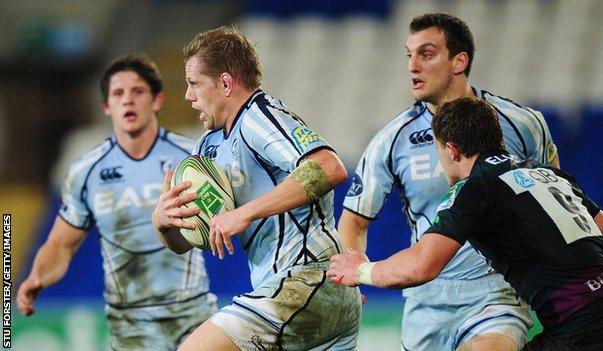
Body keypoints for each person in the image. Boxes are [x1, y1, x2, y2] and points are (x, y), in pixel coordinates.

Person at [329, 96, 603, 351]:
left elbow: (421, 266)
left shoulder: (475, 189)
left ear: (452, 150)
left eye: (439, 150)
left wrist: (360, 270)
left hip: (577, 333)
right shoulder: (553, 175)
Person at [338, 13, 560, 351]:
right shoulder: (391, 140)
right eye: (408, 55)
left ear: (460, 61)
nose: (413, 66)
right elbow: (354, 220)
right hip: (426, 299)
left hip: (495, 293)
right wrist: (351, 282)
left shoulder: (522, 124)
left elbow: (558, 197)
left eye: (426, 54)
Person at [152, 26, 361, 351]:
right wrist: (164, 222)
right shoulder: (208, 147)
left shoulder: (258, 116)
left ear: (225, 83)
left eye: (194, 84)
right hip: (293, 291)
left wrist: (244, 213)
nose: (188, 96)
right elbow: (192, 240)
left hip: (309, 279)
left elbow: (329, 166)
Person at [16, 55, 218, 350]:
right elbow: (61, 243)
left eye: (137, 92)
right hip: (129, 327)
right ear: (106, 106)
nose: (128, 101)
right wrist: (37, 276)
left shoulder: (192, 157)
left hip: (192, 316)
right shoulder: (86, 172)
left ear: (157, 100)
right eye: (118, 94)